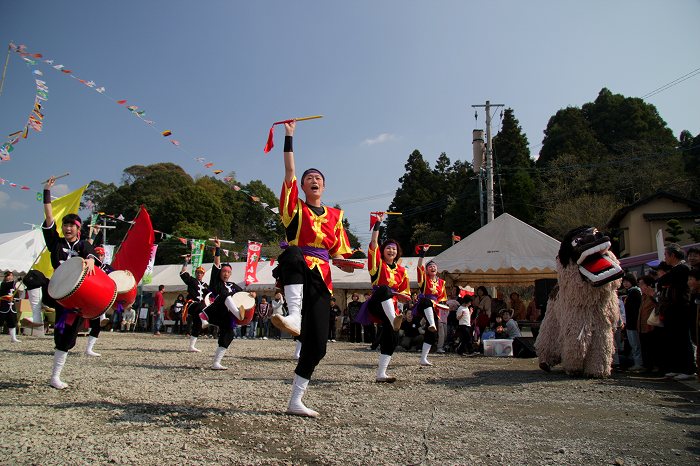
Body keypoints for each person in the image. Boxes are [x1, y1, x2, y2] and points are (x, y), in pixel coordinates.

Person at [269, 120, 353, 417]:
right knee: (291, 251)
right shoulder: (295, 210)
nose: (313, 180)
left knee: (317, 347)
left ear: (324, 186)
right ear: (302, 187)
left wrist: (345, 262)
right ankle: (292, 315)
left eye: (318, 178)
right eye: (309, 178)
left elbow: (338, 252)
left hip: (322, 280)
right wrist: (289, 136)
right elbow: (290, 172)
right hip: (296, 269)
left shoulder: (335, 215)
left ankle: (295, 401)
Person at [42, 176, 101, 389]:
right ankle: (42, 311)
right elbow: (49, 217)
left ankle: (55, 376)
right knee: (35, 279)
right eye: (65, 224)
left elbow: (93, 256)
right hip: (57, 293)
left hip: (75, 300)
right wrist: (47, 192)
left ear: (78, 228)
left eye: (71, 225)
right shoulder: (55, 243)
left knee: (66, 337)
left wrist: (90, 260)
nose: (67, 228)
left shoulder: (83, 245)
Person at [356, 212, 409, 382]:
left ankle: (381, 373)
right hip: (376, 304)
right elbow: (373, 243)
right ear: (383, 251)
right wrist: (378, 225)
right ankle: (394, 319)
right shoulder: (377, 264)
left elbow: (405, 295)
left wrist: (402, 296)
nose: (391, 250)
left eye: (393, 248)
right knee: (386, 289)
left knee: (392, 338)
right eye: (388, 248)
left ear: (397, 252)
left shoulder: (402, 271)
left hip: (392, 308)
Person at [198, 237, 244, 370]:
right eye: (224, 271)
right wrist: (218, 248)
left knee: (228, 335)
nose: (226, 274)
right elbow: (217, 264)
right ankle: (238, 314)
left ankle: (216, 363)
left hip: (226, 315)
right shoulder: (216, 282)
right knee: (225, 295)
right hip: (216, 309)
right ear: (220, 272)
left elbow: (242, 295)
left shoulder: (232, 285)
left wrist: (251, 294)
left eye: (228, 272)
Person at [657, 244, 694, 380]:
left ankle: (688, 369)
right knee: (673, 340)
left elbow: (662, 280)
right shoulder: (675, 270)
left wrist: (662, 280)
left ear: (673, 255)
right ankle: (677, 367)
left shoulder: (682, 269)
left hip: (680, 308)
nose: (665, 258)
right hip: (671, 309)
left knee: (683, 339)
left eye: (666, 255)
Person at [415, 244, 448, 366]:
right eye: (430, 266)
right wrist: (423, 253)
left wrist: (444, 306)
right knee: (427, 301)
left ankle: (424, 358)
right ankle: (432, 323)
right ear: (427, 270)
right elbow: (419, 267)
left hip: (434, 308)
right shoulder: (424, 279)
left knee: (431, 333)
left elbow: (442, 297)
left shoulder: (441, 283)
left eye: (434, 266)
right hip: (423, 304)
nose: (432, 268)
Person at [180, 257, 209, 352]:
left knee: (197, 325)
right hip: (191, 304)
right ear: (196, 273)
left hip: (200, 308)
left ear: (203, 274)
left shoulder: (205, 285)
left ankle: (191, 346)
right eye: (198, 272)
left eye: (201, 273)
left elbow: (211, 295)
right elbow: (183, 273)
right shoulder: (191, 280)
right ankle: (204, 320)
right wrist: (186, 261)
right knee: (200, 305)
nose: (199, 274)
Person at [621, 274, 644, 372]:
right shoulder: (631, 292)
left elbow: (636, 310)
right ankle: (637, 363)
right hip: (631, 323)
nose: (625, 283)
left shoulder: (635, 292)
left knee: (636, 344)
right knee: (634, 344)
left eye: (627, 281)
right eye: (624, 281)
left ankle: (639, 363)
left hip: (634, 323)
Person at [0, 271, 21, 343]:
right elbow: (9, 285)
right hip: (3, 307)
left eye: (11, 275)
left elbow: (17, 299)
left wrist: (14, 298)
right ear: (5, 277)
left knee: (12, 322)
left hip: (12, 308)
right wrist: (18, 280)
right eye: (8, 276)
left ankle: (13, 338)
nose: (10, 277)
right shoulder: (3, 284)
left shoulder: (14, 288)